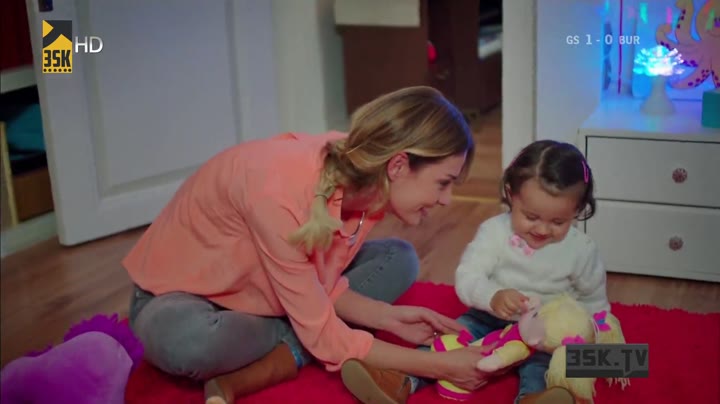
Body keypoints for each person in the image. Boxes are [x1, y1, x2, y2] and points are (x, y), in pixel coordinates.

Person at [123, 86, 498, 404]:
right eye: (443, 183)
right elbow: (322, 315)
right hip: (184, 300)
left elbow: (324, 278)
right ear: (398, 166)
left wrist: (385, 317)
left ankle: (300, 326)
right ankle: (297, 333)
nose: (447, 199)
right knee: (191, 343)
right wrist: (439, 365)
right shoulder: (279, 191)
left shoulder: (366, 174)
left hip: (277, 289)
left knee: (400, 258)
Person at [342, 140, 610, 404]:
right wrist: (493, 296)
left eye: (558, 222)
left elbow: (594, 301)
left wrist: (594, 337)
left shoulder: (581, 250)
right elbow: (468, 277)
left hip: (544, 334)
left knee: (544, 366)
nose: (541, 229)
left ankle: (532, 398)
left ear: (577, 210)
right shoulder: (494, 232)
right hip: (488, 318)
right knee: (447, 341)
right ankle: (398, 380)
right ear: (511, 195)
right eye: (531, 217)